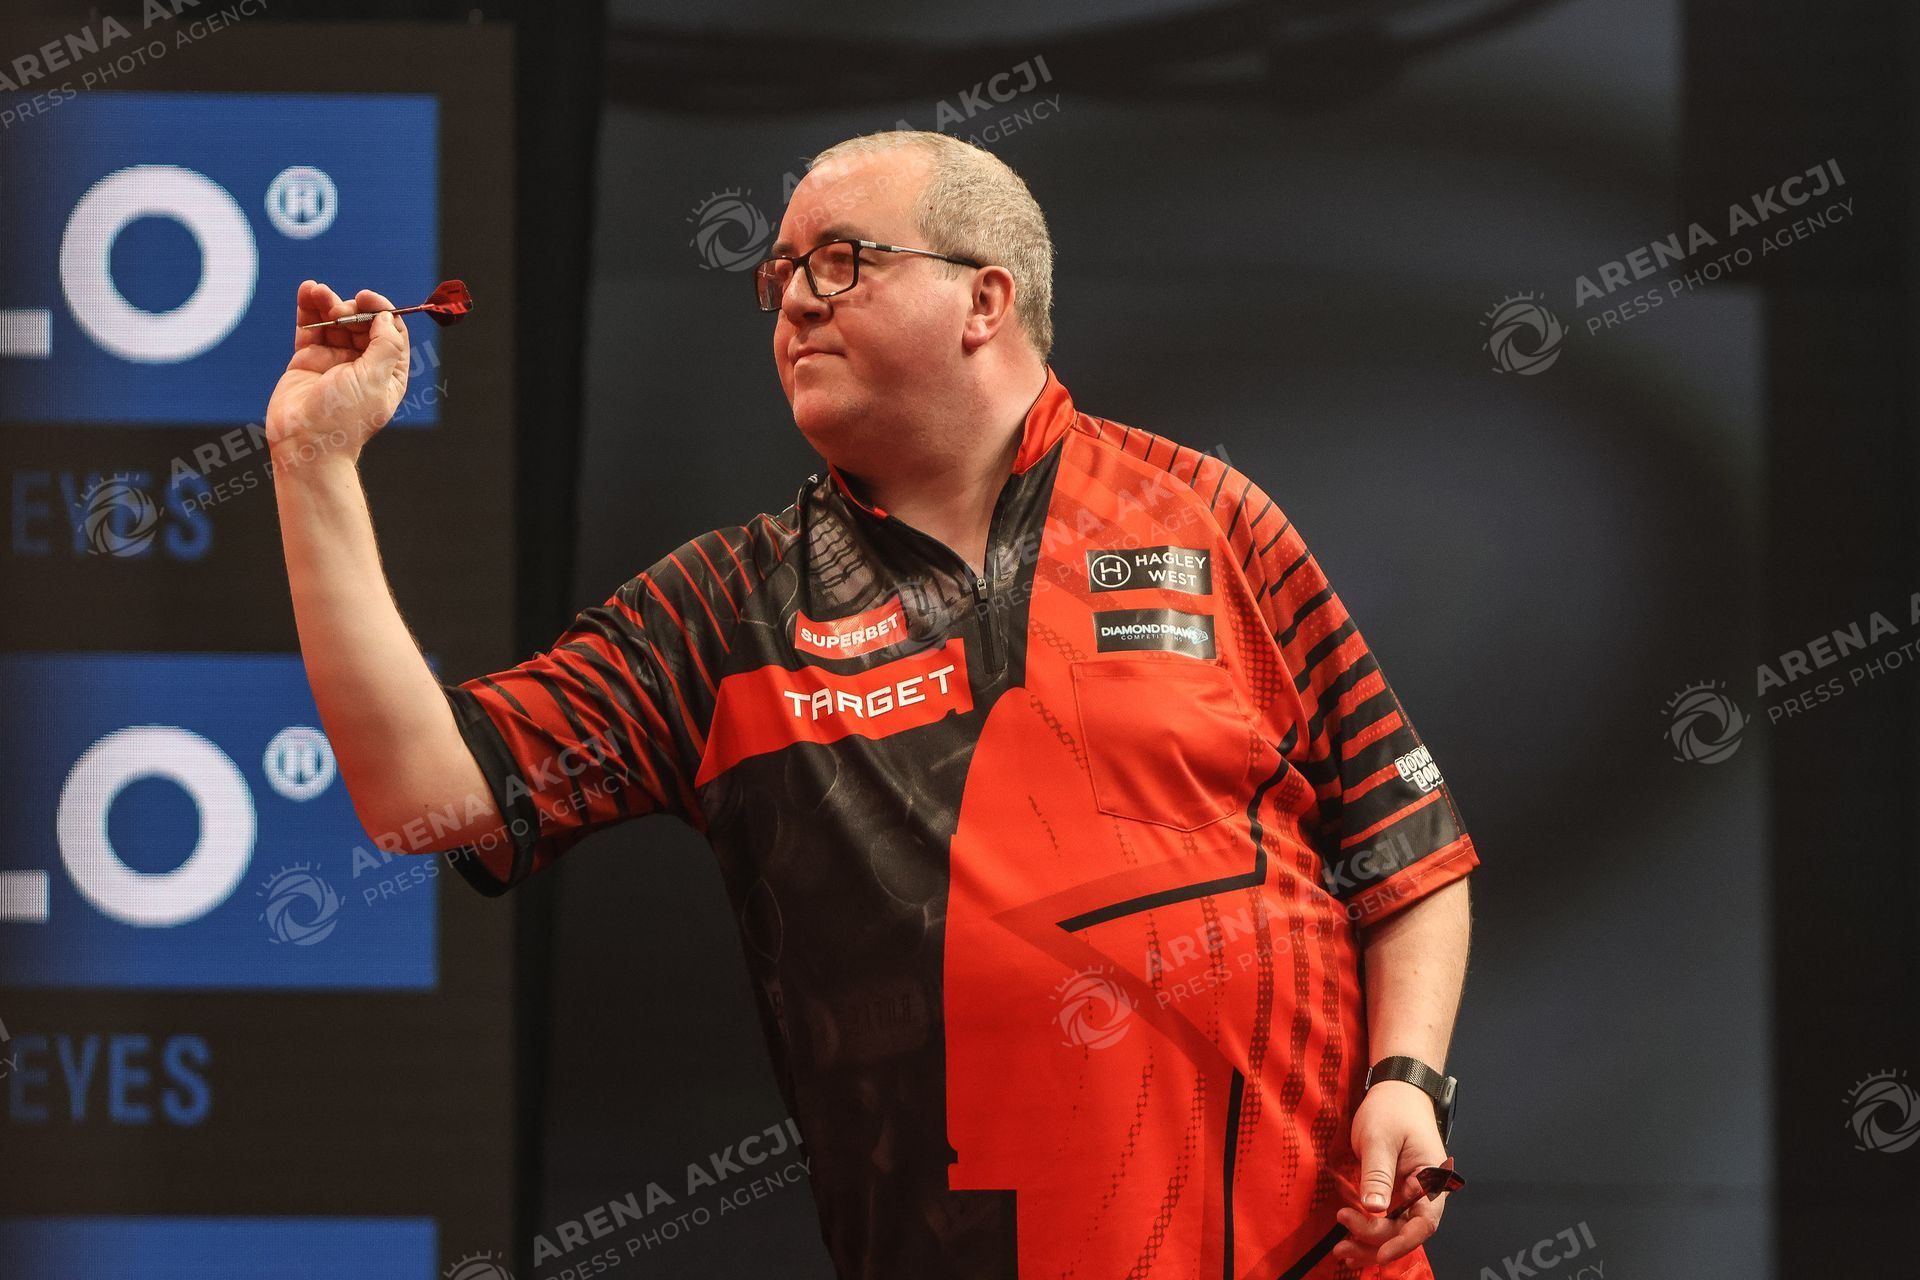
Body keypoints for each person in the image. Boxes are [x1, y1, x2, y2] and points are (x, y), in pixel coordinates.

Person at [266, 129, 1478, 1280]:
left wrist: (1408, 1076)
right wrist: (313, 464)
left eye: (841, 260)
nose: (795, 300)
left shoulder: (1207, 513)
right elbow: (424, 795)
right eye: (781, 275)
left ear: (984, 299)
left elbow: (1407, 849)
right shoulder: (726, 612)